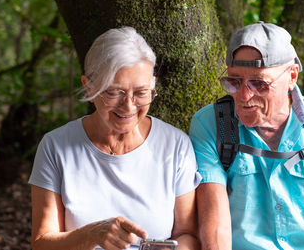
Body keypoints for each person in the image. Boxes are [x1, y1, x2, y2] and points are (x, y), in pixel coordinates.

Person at [189, 21, 304, 250]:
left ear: (292, 76)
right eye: (234, 82)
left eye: (259, 84)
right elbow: (215, 225)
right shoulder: (212, 125)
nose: (244, 96)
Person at [29, 26, 201, 250]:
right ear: (89, 86)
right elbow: (41, 243)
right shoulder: (56, 147)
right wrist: (92, 235)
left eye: (141, 93)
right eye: (114, 92)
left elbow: (188, 234)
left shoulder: (175, 145)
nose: (129, 106)